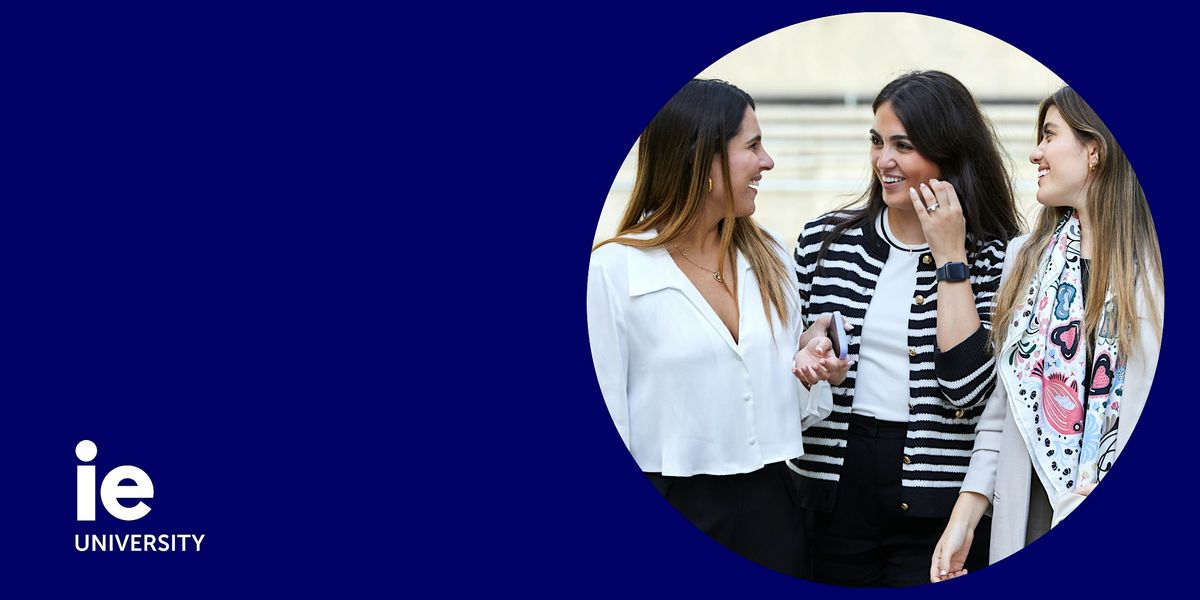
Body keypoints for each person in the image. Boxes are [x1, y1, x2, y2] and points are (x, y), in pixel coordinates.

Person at [586, 78, 845, 578]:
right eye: (753, 146)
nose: (768, 162)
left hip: (774, 511)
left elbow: (791, 406)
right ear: (701, 159)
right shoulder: (615, 271)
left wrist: (811, 362)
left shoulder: (771, 255)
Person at [787, 71, 1022, 587]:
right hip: (832, 490)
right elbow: (790, 360)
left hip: (938, 503)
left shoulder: (998, 257)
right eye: (877, 141)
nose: (883, 160)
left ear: (947, 156)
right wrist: (810, 351)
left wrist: (950, 256)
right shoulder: (825, 242)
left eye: (904, 146)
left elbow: (966, 390)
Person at [931, 87, 1164, 582]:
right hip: (1034, 511)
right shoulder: (1026, 259)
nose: (1035, 153)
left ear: (1094, 150)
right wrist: (963, 518)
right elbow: (1004, 408)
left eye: (1049, 136)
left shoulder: (1158, 271)